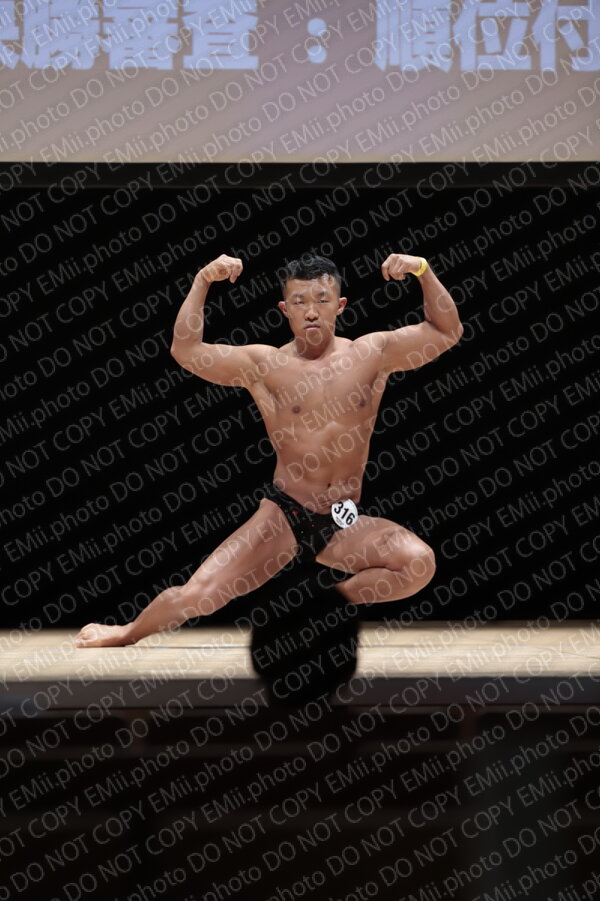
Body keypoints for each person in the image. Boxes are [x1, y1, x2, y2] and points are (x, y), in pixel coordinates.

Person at [74, 252, 463, 647]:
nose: (311, 311)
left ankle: (318, 606)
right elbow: (185, 349)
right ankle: (126, 632)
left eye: (322, 300)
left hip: (343, 520)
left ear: (340, 306)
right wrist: (203, 280)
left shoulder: (372, 353)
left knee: (417, 564)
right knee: (198, 596)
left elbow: (447, 330)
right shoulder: (265, 364)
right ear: (284, 310)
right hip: (285, 515)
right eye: (299, 301)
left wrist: (422, 270)